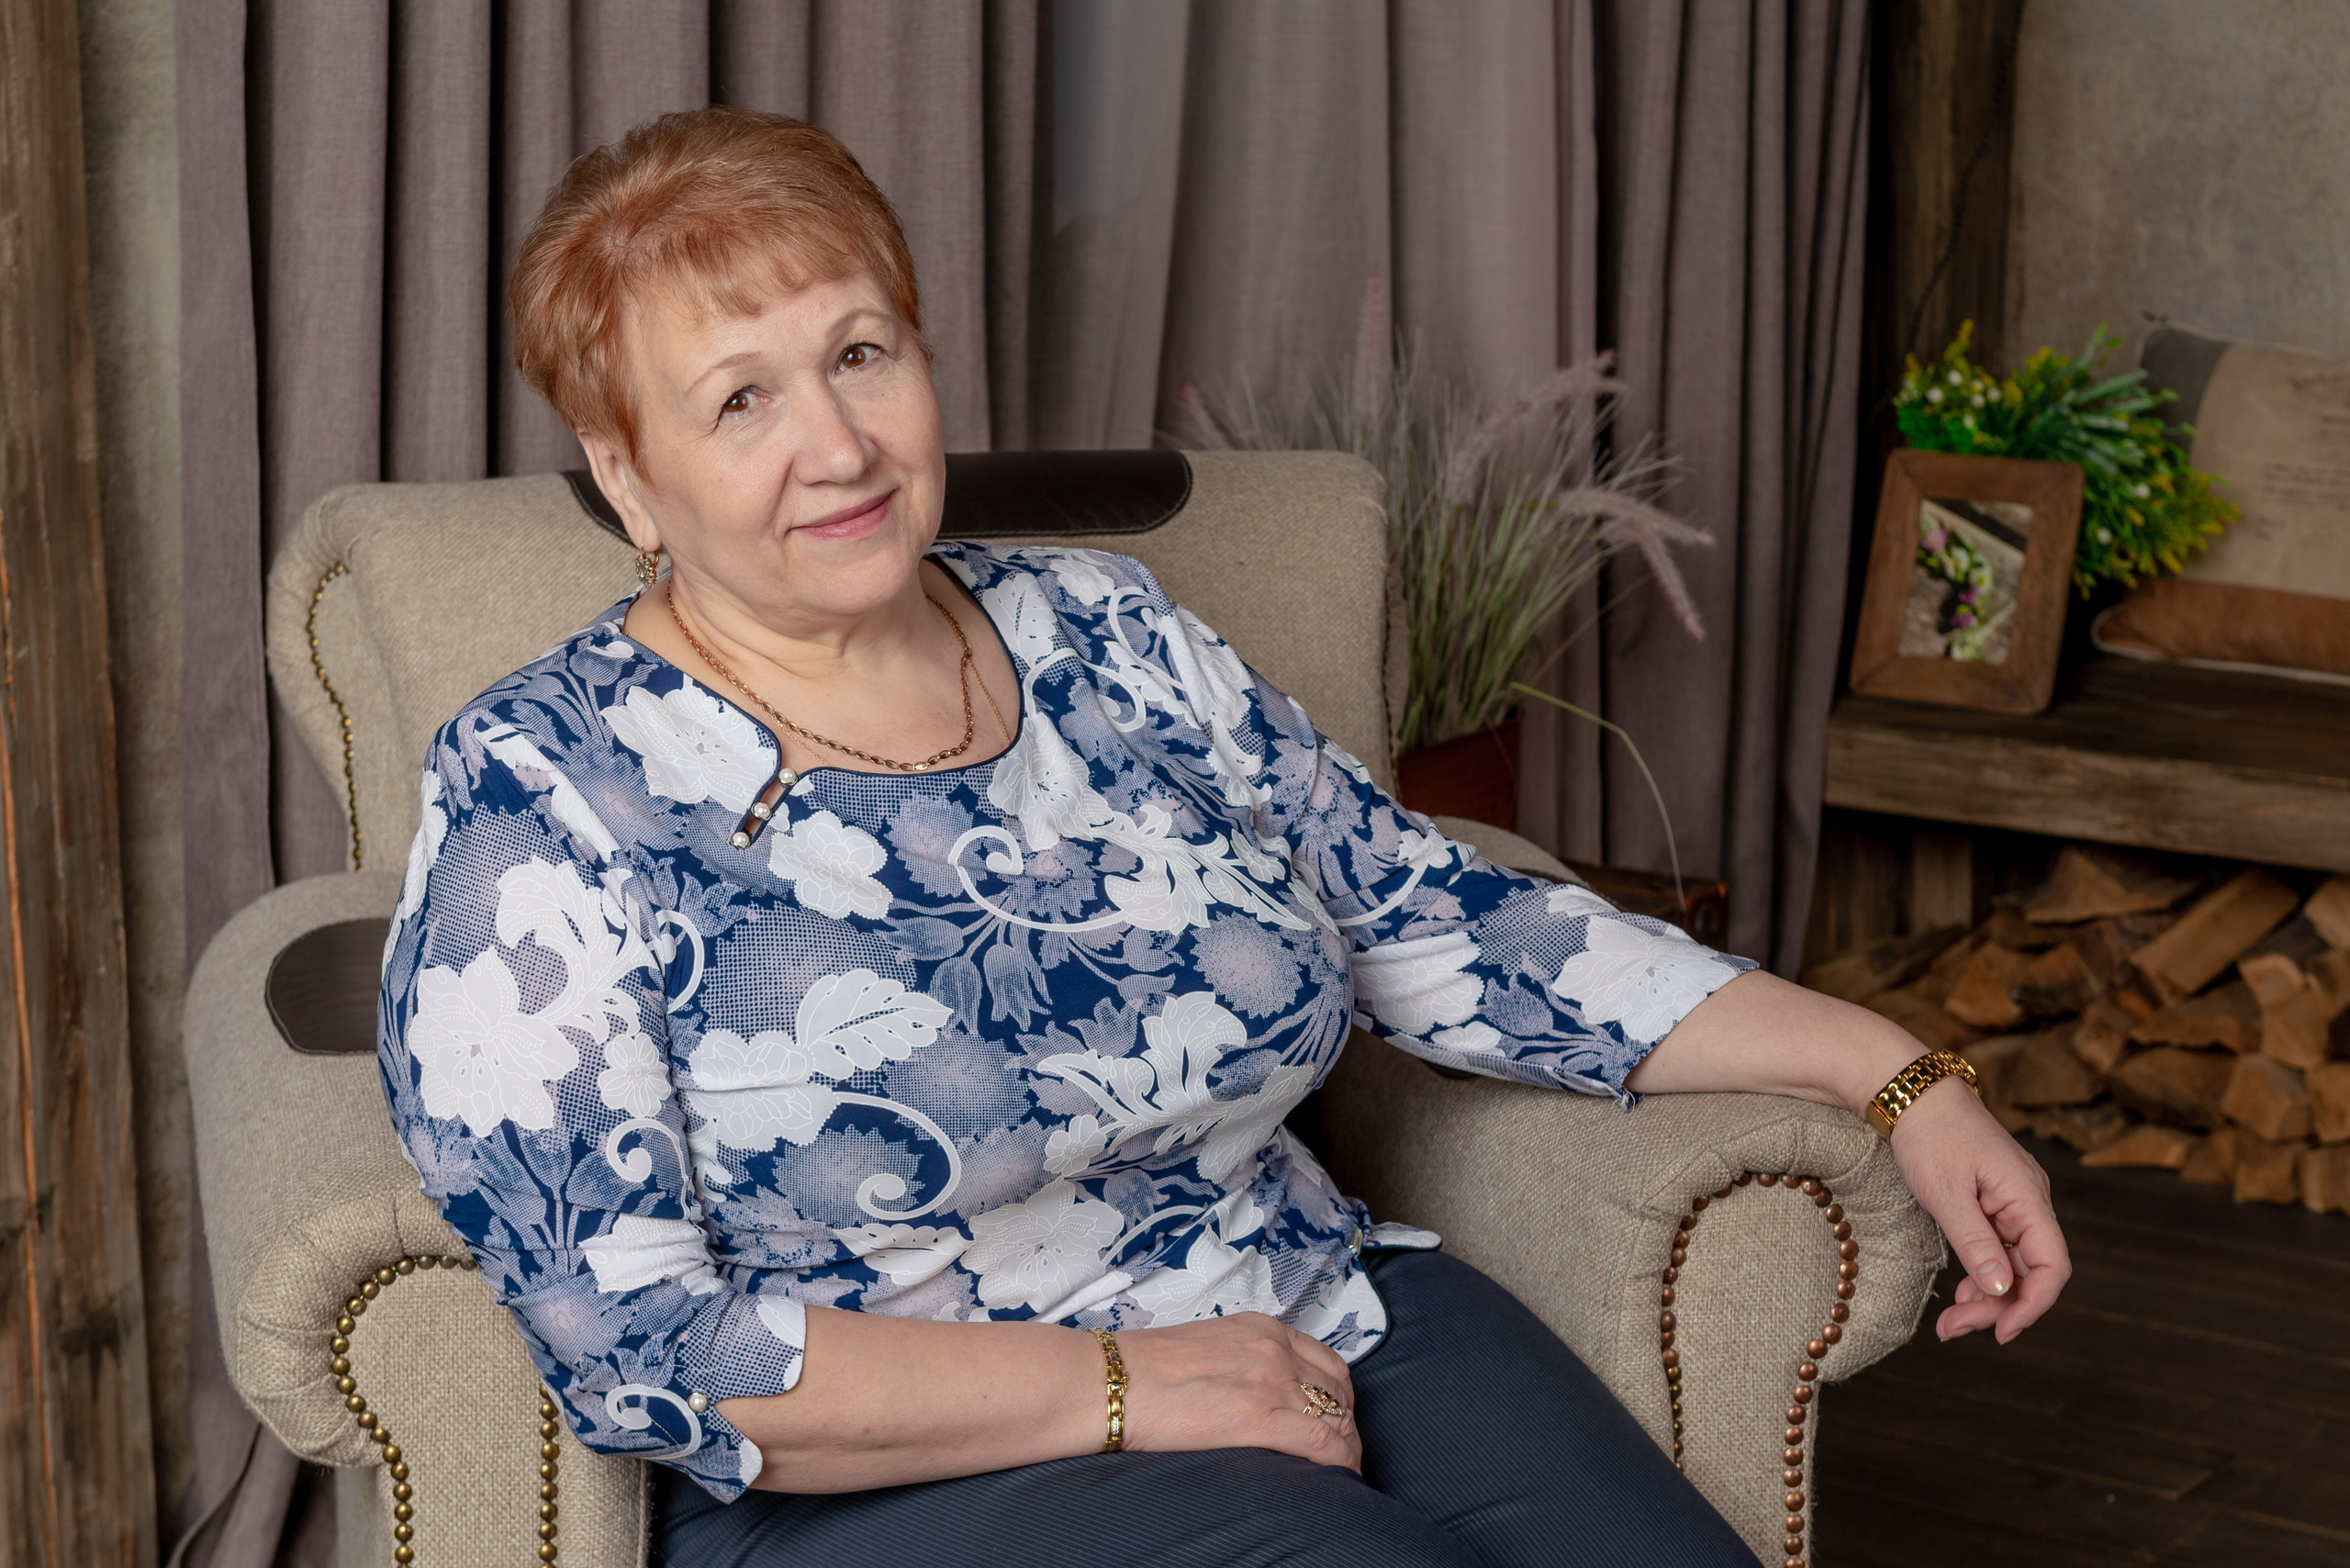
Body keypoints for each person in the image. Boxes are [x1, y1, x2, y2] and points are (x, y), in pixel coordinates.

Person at [378, 106, 2068, 1568]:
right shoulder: (540, 789)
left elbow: (1427, 917)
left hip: (1296, 1301)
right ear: (627, 471)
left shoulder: (1109, 636)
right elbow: (648, 1348)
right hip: (870, 1471)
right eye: (738, 402)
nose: (837, 445)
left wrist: (1891, 1068)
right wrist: (1125, 1392)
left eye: (861, 352)